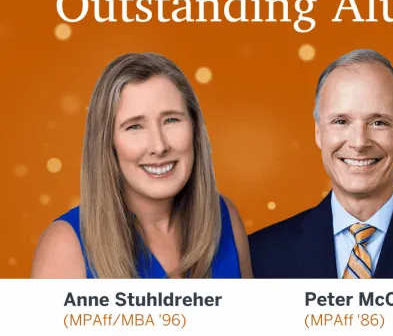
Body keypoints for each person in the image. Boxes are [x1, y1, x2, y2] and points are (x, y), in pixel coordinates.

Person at [249, 49, 393, 278]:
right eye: (341, 121)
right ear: (318, 133)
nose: (359, 142)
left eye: (378, 122)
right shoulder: (259, 255)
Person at [31, 53, 253, 279]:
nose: (159, 146)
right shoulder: (65, 246)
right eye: (135, 126)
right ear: (108, 143)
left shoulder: (225, 216)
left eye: (171, 120)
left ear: (195, 128)